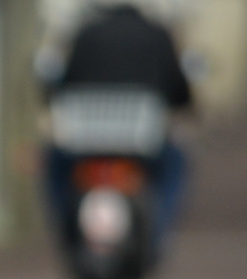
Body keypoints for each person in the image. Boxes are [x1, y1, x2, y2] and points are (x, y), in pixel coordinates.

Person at [42, 2, 194, 255]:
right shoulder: (158, 34)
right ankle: (159, 229)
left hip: (85, 142)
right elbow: (179, 91)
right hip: (142, 144)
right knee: (175, 162)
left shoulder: (85, 33)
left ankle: (63, 226)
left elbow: (62, 85)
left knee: (54, 163)